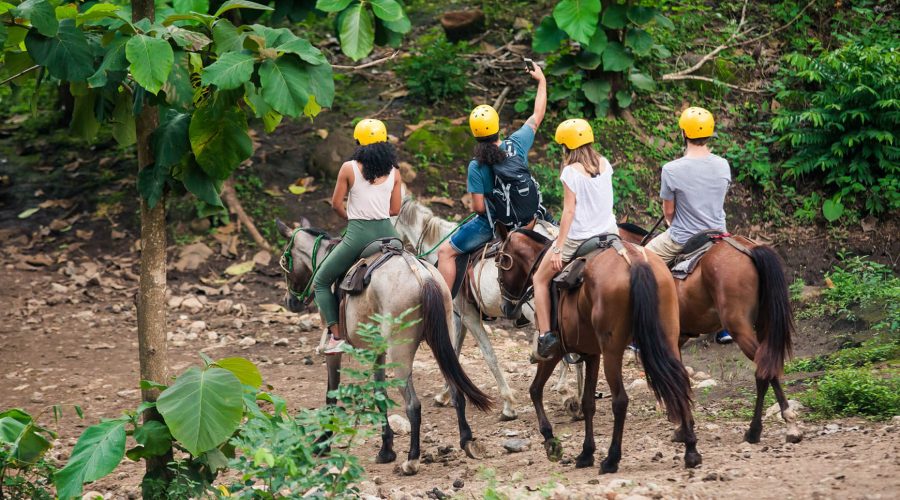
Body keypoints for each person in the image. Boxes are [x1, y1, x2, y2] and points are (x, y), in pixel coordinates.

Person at [436, 62, 547, 291]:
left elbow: (478, 208)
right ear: (498, 125)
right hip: (529, 218)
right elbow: (537, 114)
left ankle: (444, 303)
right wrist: (542, 80)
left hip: (495, 224)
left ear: (474, 133)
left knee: (445, 252)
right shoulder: (516, 143)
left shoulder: (476, 166)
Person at [645, 106, 733, 345]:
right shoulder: (723, 164)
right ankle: (726, 328)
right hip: (719, 236)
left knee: (640, 262)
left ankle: (643, 326)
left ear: (683, 134)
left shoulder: (671, 169)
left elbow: (669, 212)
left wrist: (673, 222)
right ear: (710, 134)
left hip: (683, 237)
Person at [314, 118, 402, 354]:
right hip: (390, 235)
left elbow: (335, 203)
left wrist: (351, 217)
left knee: (321, 281)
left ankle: (336, 337)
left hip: (360, 235)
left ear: (358, 143)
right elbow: (395, 210)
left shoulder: (349, 168)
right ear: (385, 143)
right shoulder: (395, 172)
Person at [534, 119, 619, 359]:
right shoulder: (605, 163)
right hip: (611, 233)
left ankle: (545, 336)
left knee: (539, 279)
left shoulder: (570, 172)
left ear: (567, 146)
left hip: (581, 237)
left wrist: (559, 247)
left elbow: (569, 212)